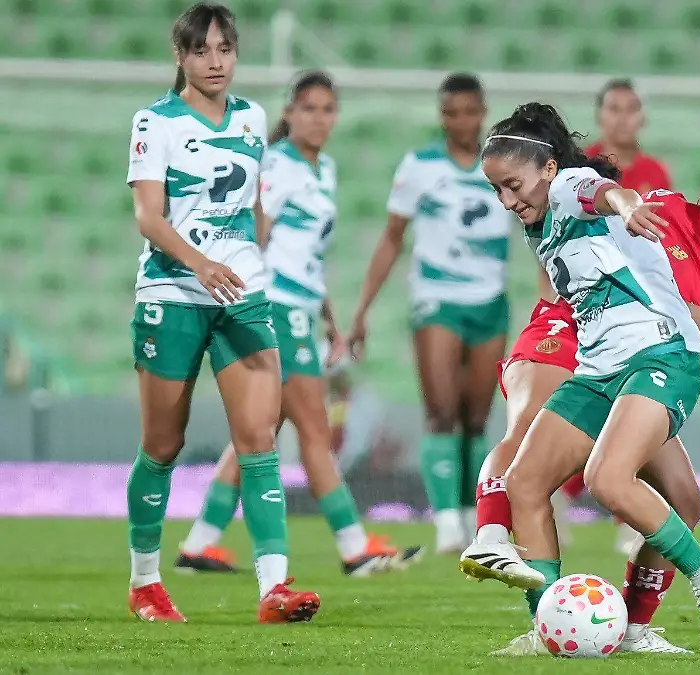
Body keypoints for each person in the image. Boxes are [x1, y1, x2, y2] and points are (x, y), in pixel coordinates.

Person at [464, 147, 700, 655]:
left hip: (649, 355)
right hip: (584, 340)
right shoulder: (670, 209)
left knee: (671, 498)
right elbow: (609, 212)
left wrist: (654, 301)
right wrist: (613, 208)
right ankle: (536, 607)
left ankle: (639, 621)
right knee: (526, 469)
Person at [174, 71, 423, 578]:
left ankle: (200, 542)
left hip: (300, 309)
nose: (319, 118)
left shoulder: (323, 168)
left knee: (261, 429)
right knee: (313, 425)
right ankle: (355, 546)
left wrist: (329, 319)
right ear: (290, 113)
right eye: (308, 108)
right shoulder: (279, 166)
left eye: (328, 109)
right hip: (276, 308)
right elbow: (256, 237)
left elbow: (308, 255)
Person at [125, 2, 318, 623]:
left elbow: (251, 204)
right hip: (172, 295)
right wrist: (200, 263)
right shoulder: (155, 123)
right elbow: (149, 217)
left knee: (260, 436)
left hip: (242, 294)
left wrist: (248, 260)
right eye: (203, 50)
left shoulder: (254, 119)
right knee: (163, 443)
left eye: (226, 49)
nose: (216, 62)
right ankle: (146, 583)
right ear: (180, 56)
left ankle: (273, 589)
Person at [348, 73, 512, 555]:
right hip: (436, 300)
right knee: (441, 412)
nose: (460, 121)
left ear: (483, 112)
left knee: (477, 417)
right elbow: (392, 237)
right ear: (442, 115)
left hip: (490, 302)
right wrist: (362, 310)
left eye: (469, 111)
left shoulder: (504, 166)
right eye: (451, 112)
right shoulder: (419, 166)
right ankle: (445, 525)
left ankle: (470, 517)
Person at [558, 78, 676, 555]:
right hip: (584, 305)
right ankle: (557, 498)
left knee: (635, 408)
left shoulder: (653, 171)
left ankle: (628, 514)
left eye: (631, 109)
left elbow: (667, 242)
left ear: (640, 117)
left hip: (638, 309)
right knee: (583, 406)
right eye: (614, 108)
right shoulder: (580, 170)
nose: (623, 117)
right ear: (601, 116)